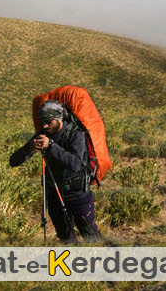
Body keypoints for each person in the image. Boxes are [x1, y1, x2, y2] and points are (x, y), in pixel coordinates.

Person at [9, 100, 102, 244]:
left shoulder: (75, 133)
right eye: (42, 122)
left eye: (48, 122)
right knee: (66, 238)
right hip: (55, 195)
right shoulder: (43, 134)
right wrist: (28, 148)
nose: (44, 126)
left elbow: (75, 164)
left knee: (91, 235)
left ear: (59, 118)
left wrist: (52, 146)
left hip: (77, 194)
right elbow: (13, 162)